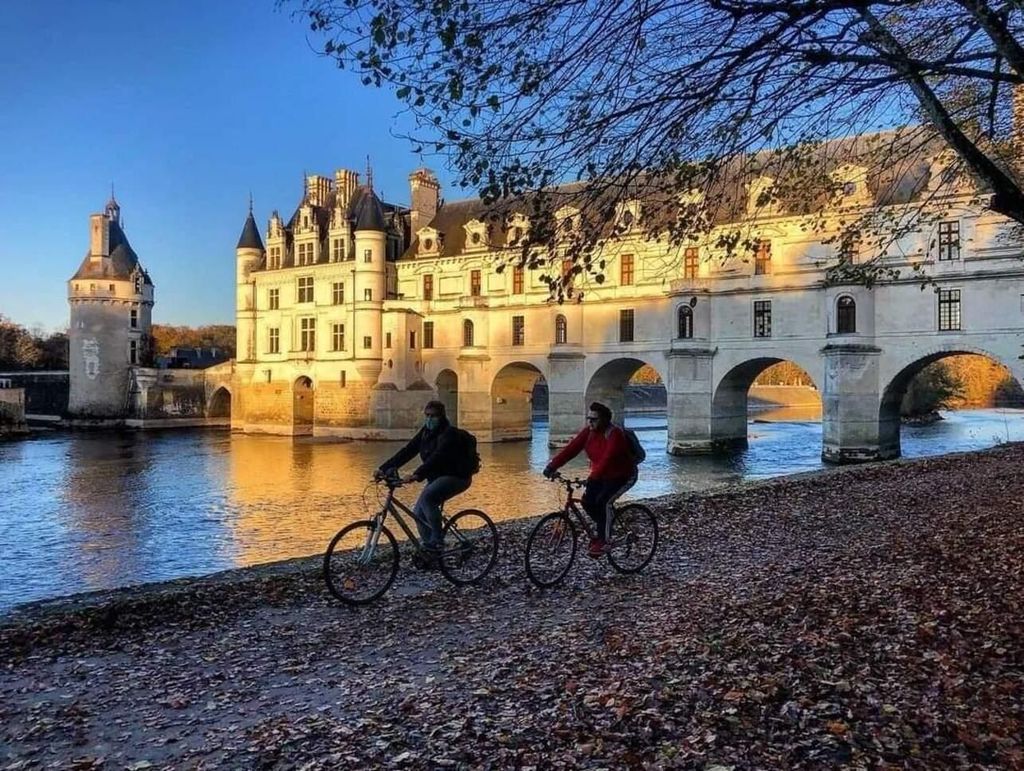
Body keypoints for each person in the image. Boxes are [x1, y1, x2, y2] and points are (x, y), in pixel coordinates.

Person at [375, 400, 475, 565]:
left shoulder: (448, 434)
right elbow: (408, 451)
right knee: (418, 513)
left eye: (433, 416)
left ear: (441, 417)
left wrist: (417, 474)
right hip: (436, 477)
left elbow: (438, 457)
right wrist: (383, 468)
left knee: (428, 499)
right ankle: (432, 555)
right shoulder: (425, 432)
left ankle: (436, 541)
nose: (429, 419)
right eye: (427, 415)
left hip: (457, 476)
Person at [543, 401, 638, 557]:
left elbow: (607, 458)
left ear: (605, 420)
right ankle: (605, 525)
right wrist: (552, 466)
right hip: (600, 476)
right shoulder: (588, 432)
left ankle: (604, 540)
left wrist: (591, 478)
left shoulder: (615, 434)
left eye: (594, 419)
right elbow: (571, 449)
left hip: (623, 475)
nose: (590, 422)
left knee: (603, 502)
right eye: (589, 419)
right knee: (587, 503)